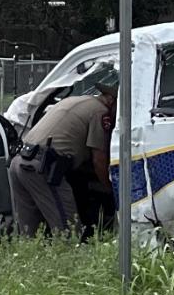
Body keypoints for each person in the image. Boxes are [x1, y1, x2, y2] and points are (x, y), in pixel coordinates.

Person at [8, 77, 117, 238]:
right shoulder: (100, 112)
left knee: (29, 234)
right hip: (44, 168)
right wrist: (111, 189)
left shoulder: (74, 100)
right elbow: (98, 159)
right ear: (112, 100)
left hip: (19, 163)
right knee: (68, 231)